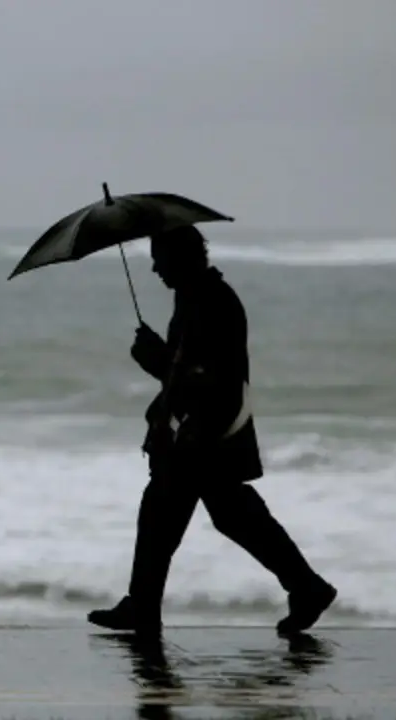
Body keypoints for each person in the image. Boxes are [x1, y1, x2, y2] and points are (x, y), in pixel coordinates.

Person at [87, 225, 337, 636]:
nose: (154, 269)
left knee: (191, 513)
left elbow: (207, 378)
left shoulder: (213, 302)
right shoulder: (195, 297)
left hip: (206, 434)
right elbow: (190, 368)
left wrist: (156, 360)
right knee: (212, 513)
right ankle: (305, 587)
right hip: (199, 432)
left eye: (160, 259)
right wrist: (162, 360)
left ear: (180, 258)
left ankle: (144, 607)